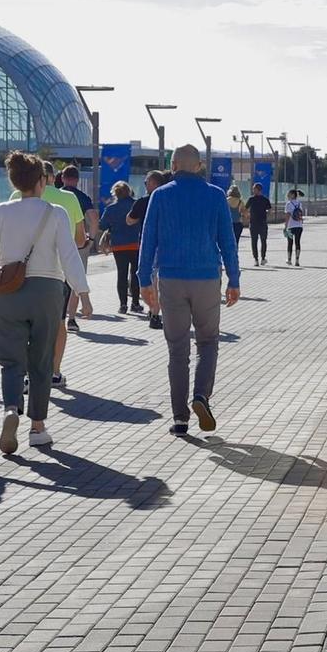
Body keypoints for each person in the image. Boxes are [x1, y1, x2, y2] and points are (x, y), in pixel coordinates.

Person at [0, 152, 90, 453]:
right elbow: (69, 255)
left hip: (7, 293)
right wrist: (84, 294)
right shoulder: (56, 213)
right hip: (47, 292)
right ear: (43, 181)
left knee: (11, 362)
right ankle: (38, 427)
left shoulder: (2, 211)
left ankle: (11, 409)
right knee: (41, 362)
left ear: (15, 182)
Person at [137, 145, 242, 437]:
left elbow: (148, 240)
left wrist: (144, 280)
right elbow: (227, 241)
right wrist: (234, 278)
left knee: (177, 349)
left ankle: (180, 419)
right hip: (207, 277)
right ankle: (201, 397)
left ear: (173, 166)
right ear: (199, 166)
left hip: (170, 279)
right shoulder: (215, 195)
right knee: (208, 342)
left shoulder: (160, 195)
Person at [11, 163, 87, 385]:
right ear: (53, 177)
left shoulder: (17, 195)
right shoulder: (69, 199)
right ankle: (54, 372)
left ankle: (26, 374)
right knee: (57, 323)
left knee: (25, 324)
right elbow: (80, 240)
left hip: (21, 272)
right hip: (56, 275)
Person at [129, 170, 170, 329]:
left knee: (151, 280)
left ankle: (154, 312)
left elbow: (129, 220)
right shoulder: (169, 200)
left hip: (149, 245)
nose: (145, 185)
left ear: (153, 183)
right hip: (167, 245)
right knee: (161, 281)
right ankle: (158, 312)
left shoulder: (143, 201)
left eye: (146, 182)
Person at [59, 165, 99, 320]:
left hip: (56, 244)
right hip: (77, 243)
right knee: (76, 279)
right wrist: (92, 239)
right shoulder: (82, 197)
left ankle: (58, 314)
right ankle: (71, 318)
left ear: (62, 178)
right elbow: (94, 219)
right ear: (77, 180)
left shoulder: (57, 195)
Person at [98, 180, 144, 314]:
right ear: (129, 191)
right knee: (135, 274)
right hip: (136, 244)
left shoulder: (111, 209)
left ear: (115, 194)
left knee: (121, 274)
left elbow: (102, 226)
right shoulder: (136, 204)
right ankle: (135, 303)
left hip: (119, 246)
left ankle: (123, 304)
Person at [245, 181, 271, 266]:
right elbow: (270, 210)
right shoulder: (265, 199)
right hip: (261, 222)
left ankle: (258, 259)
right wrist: (265, 212)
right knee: (261, 241)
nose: (253, 190)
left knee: (255, 241)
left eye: (254, 189)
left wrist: (248, 215)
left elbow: (245, 208)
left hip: (255, 223)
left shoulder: (251, 199)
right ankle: (260, 259)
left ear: (258, 190)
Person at [284, 189, 306, 266]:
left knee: (290, 242)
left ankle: (289, 259)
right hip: (299, 226)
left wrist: (285, 226)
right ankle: (297, 260)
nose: (287, 195)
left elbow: (287, 215)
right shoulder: (299, 203)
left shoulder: (289, 204)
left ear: (293, 195)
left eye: (289, 194)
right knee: (297, 242)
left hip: (290, 226)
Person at [226, 183, 246, 255]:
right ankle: (235, 254)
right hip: (238, 224)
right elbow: (244, 213)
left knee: (228, 240)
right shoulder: (240, 201)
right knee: (236, 240)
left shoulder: (226, 201)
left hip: (228, 224)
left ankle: (229, 254)